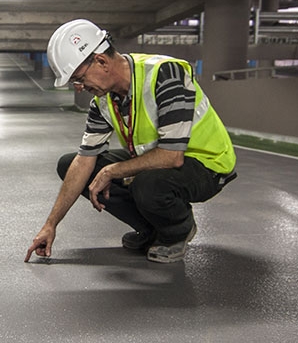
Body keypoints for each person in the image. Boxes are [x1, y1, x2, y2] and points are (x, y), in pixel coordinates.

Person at [25, 19, 237, 264]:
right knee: (70, 164)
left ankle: (176, 231)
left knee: (147, 184)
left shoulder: (165, 74)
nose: (80, 88)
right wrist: (50, 225)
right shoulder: (103, 101)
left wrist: (113, 170)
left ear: (101, 61)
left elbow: (172, 156)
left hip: (206, 164)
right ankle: (151, 229)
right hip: (160, 161)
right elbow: (84, 161)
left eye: (78, 78)